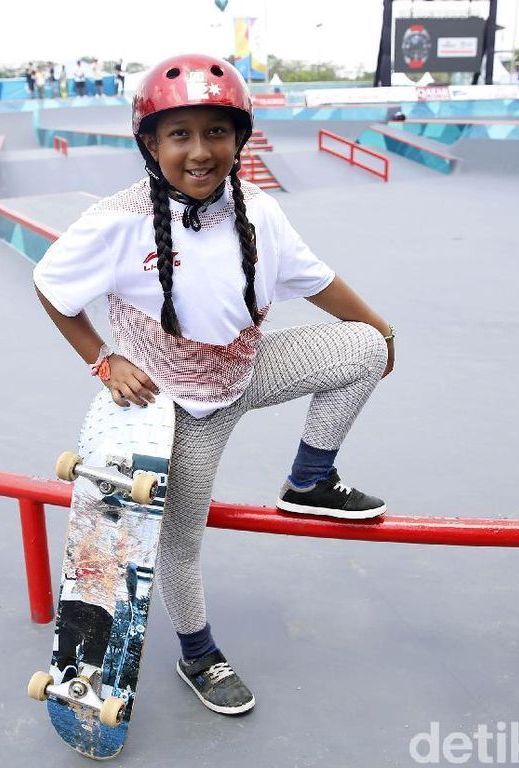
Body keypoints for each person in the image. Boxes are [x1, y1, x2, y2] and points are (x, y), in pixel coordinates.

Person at [32, 54, 394, 716]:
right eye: (180, 135)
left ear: (239, 137)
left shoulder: (259, 211)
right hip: (177, 409)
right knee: (179, 542)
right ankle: (198, 652)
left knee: (364, 348)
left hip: (249, 370)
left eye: (217, 132)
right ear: (150, 143)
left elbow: (318, 281)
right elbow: (52, 289)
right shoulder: (117, 219)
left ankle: (310, 480)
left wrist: (381, 329)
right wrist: (103, 360)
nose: (200, 152)